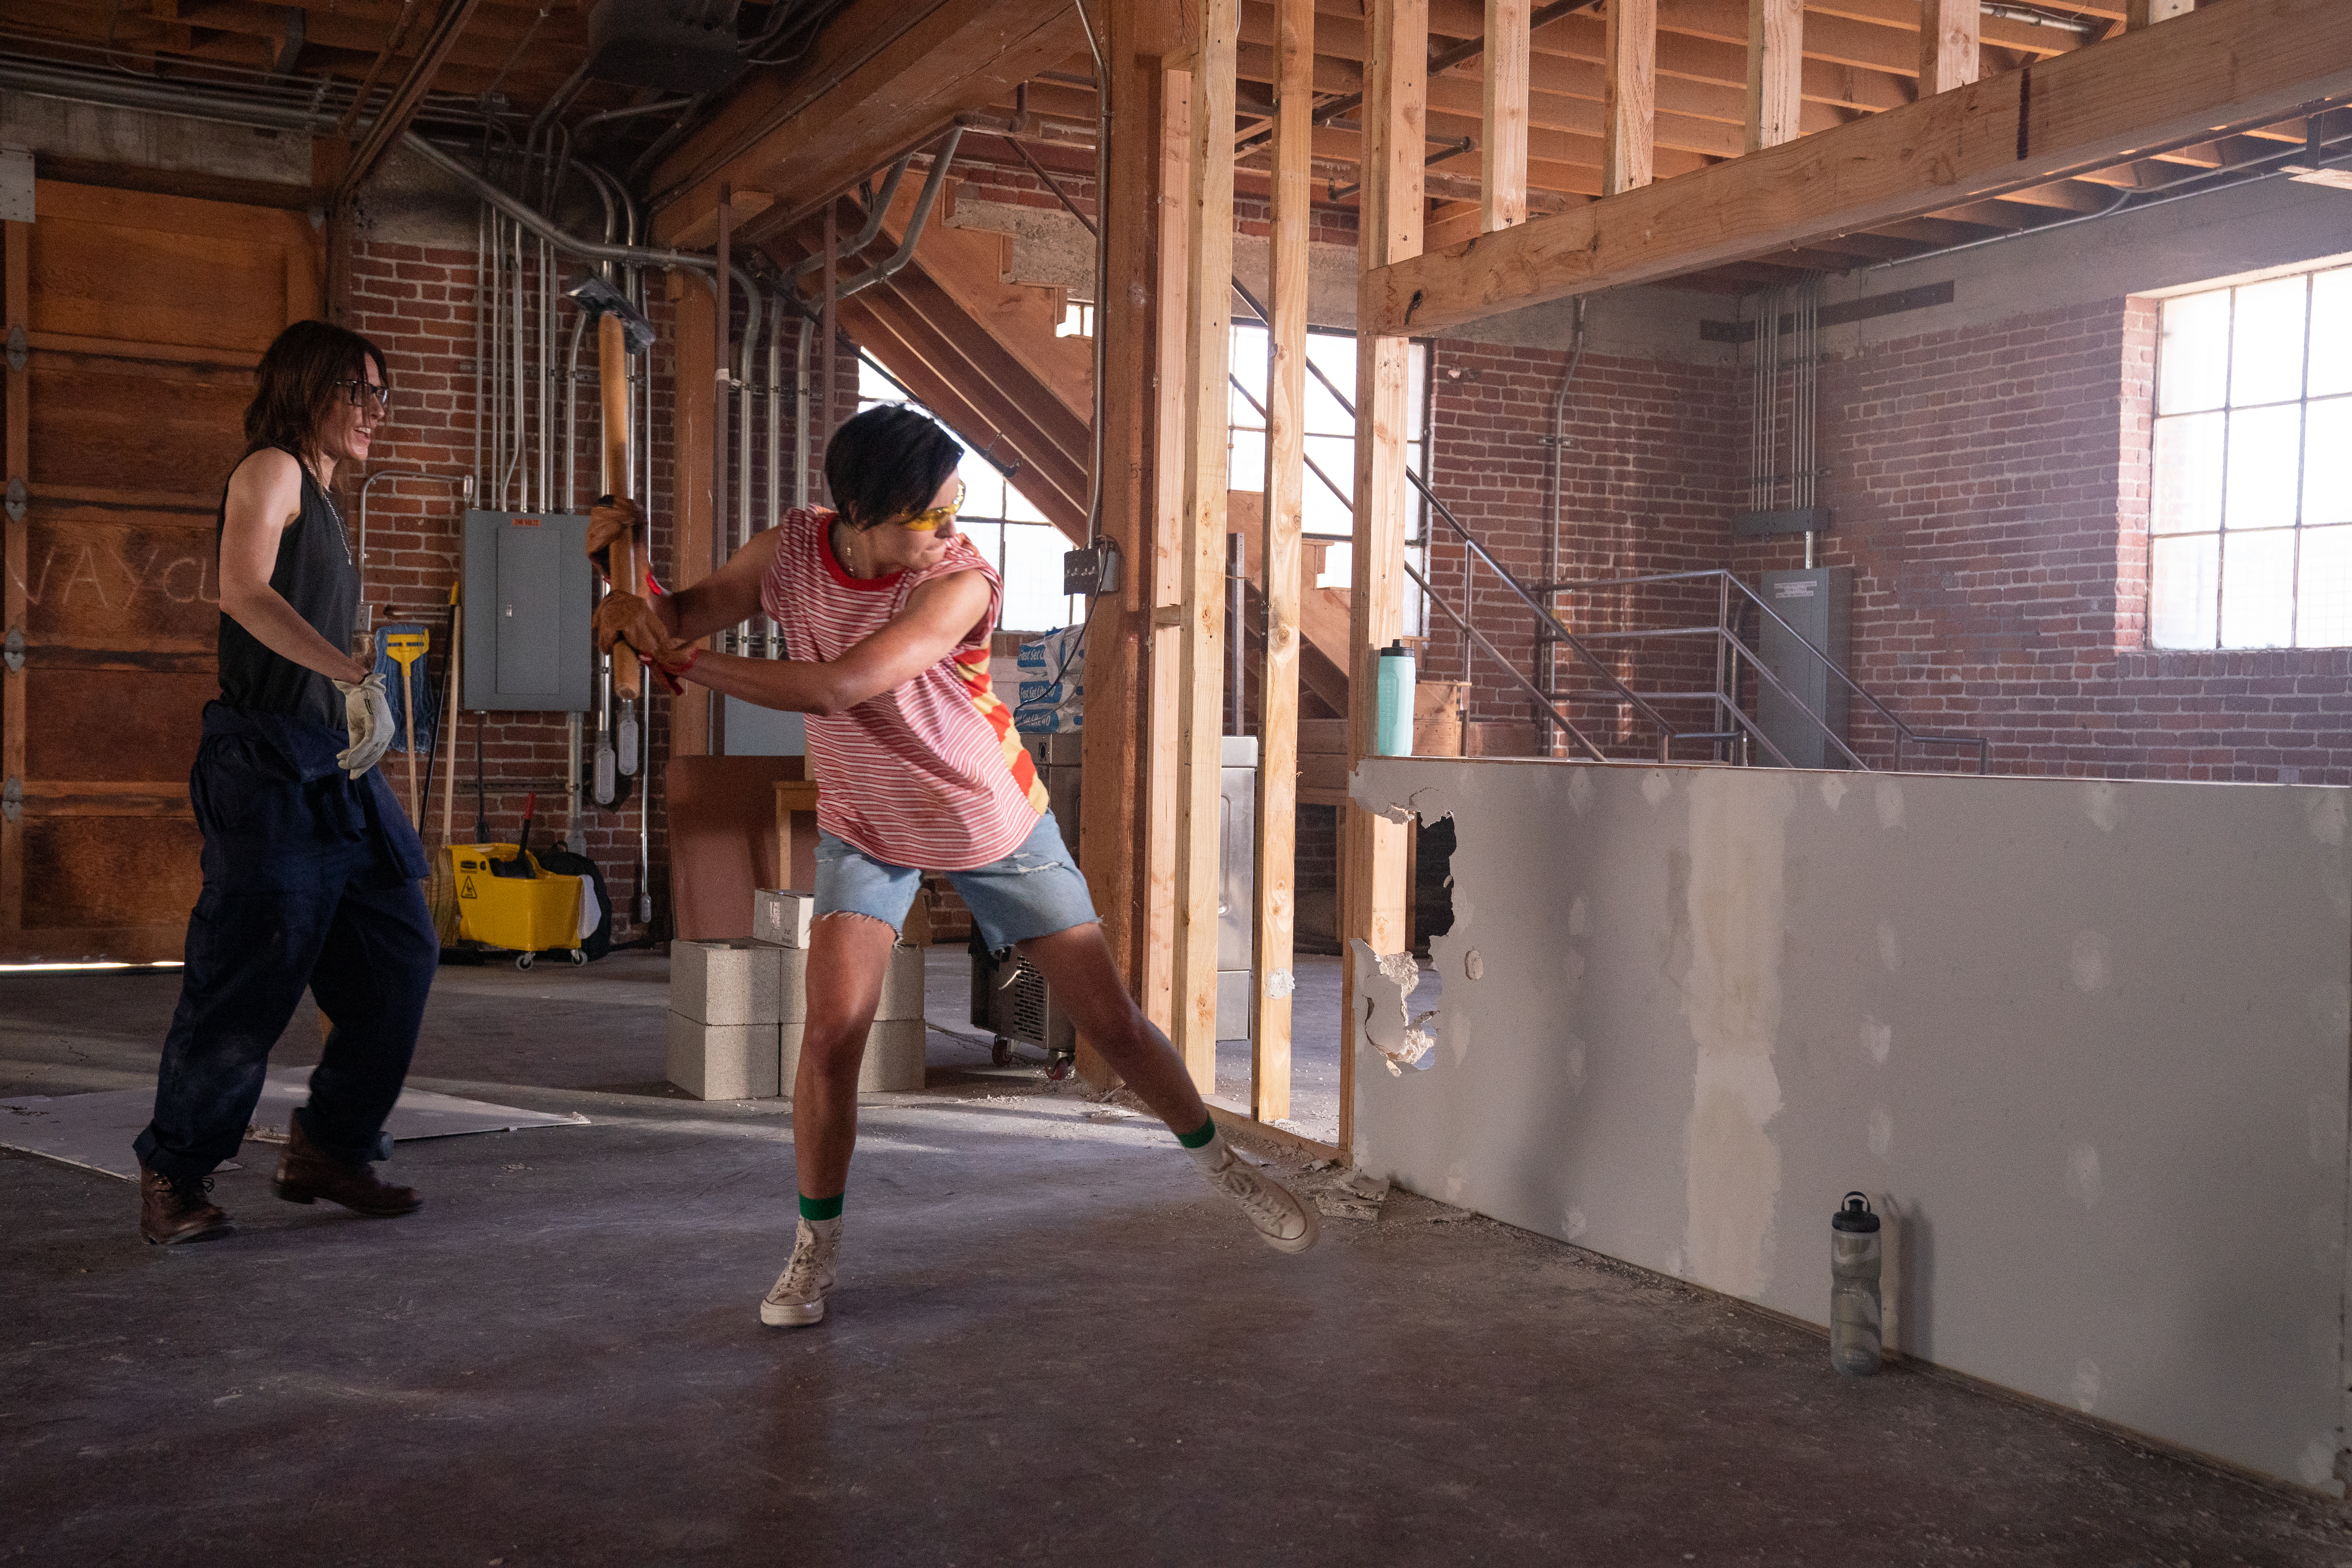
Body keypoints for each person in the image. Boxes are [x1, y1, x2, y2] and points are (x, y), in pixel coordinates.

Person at [588, 403, 1316, 1328]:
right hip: (867, 822)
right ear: (859, 514)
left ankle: (1222, 1162)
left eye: (954, 503)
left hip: (988, 817)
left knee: (1114, 1026)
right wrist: (622, 577)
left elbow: (839, 685)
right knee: (831, 1037)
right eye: (929, 513)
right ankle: (816, 1243)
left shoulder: (961, 580)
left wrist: (680, 657)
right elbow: (679, 615)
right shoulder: (789, 553)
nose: (949, 526)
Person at [132, 320, 436, 1245]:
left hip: (331, 765)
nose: (374, 410)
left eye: (381, 393)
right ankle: (175, 1172)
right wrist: (348, 672)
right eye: (358, 390)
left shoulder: (332, 502)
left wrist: (355, 676)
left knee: (399, 953)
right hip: (266, 762)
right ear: (306, 387)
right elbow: (242, 589)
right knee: (251, 975)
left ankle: (330, 1146)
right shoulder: (272, 469)